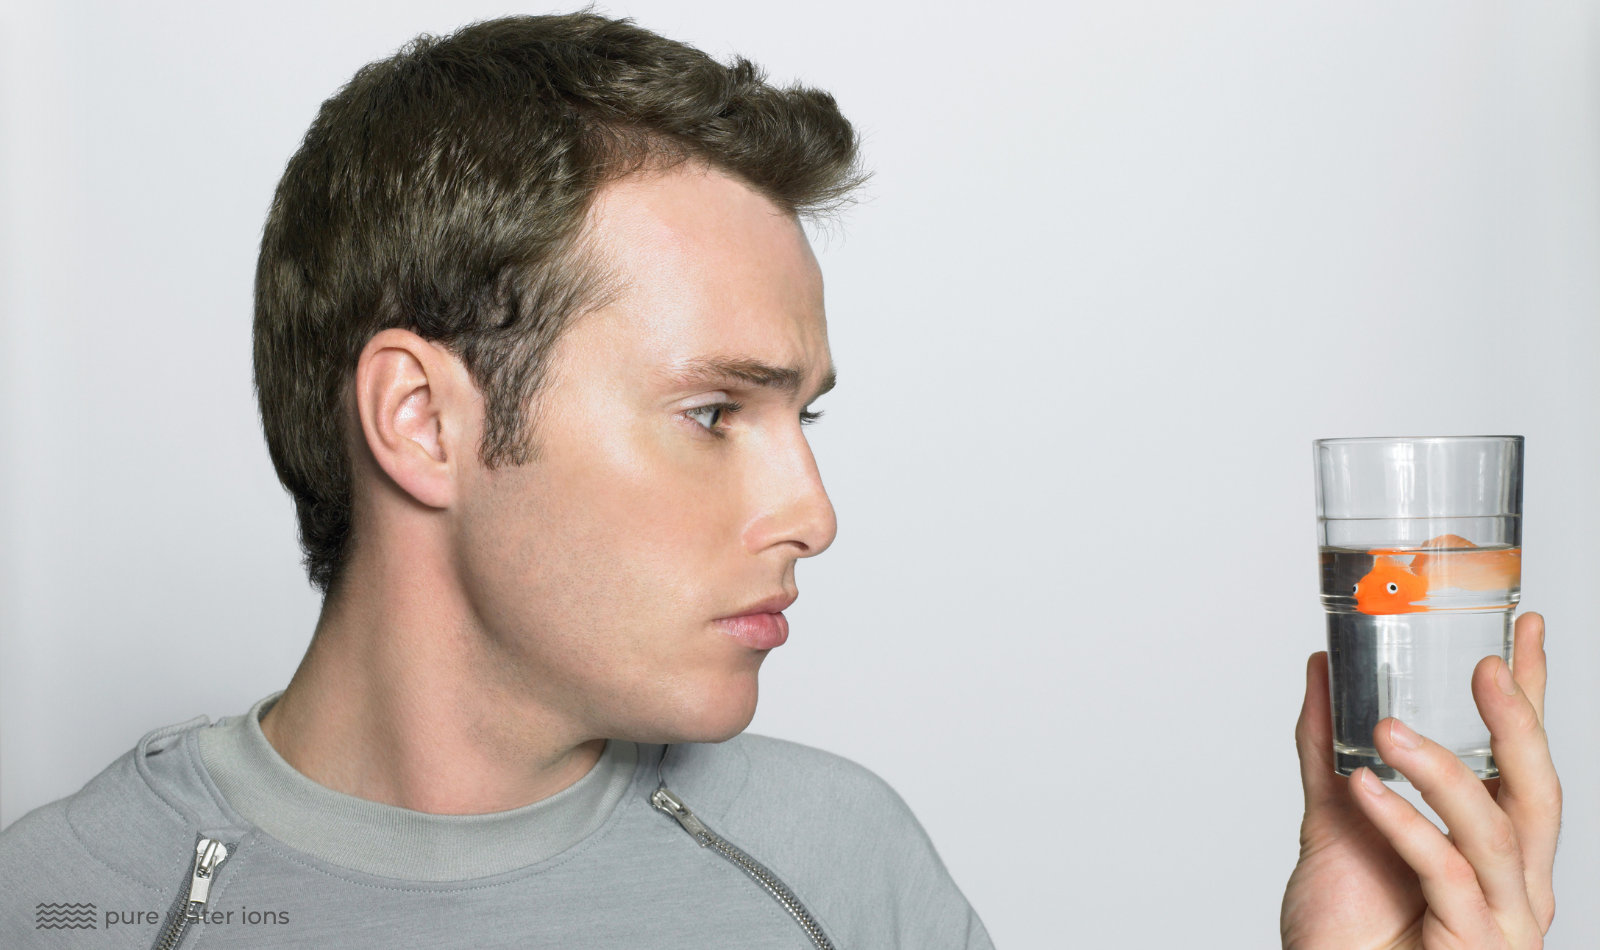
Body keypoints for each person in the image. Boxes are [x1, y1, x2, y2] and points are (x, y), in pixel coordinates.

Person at [0, 12, 1562, 950]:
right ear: (420, 419)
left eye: (805, 414)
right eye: (712, 412)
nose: (812, 511)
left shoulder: (837, 865)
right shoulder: (65, 904)